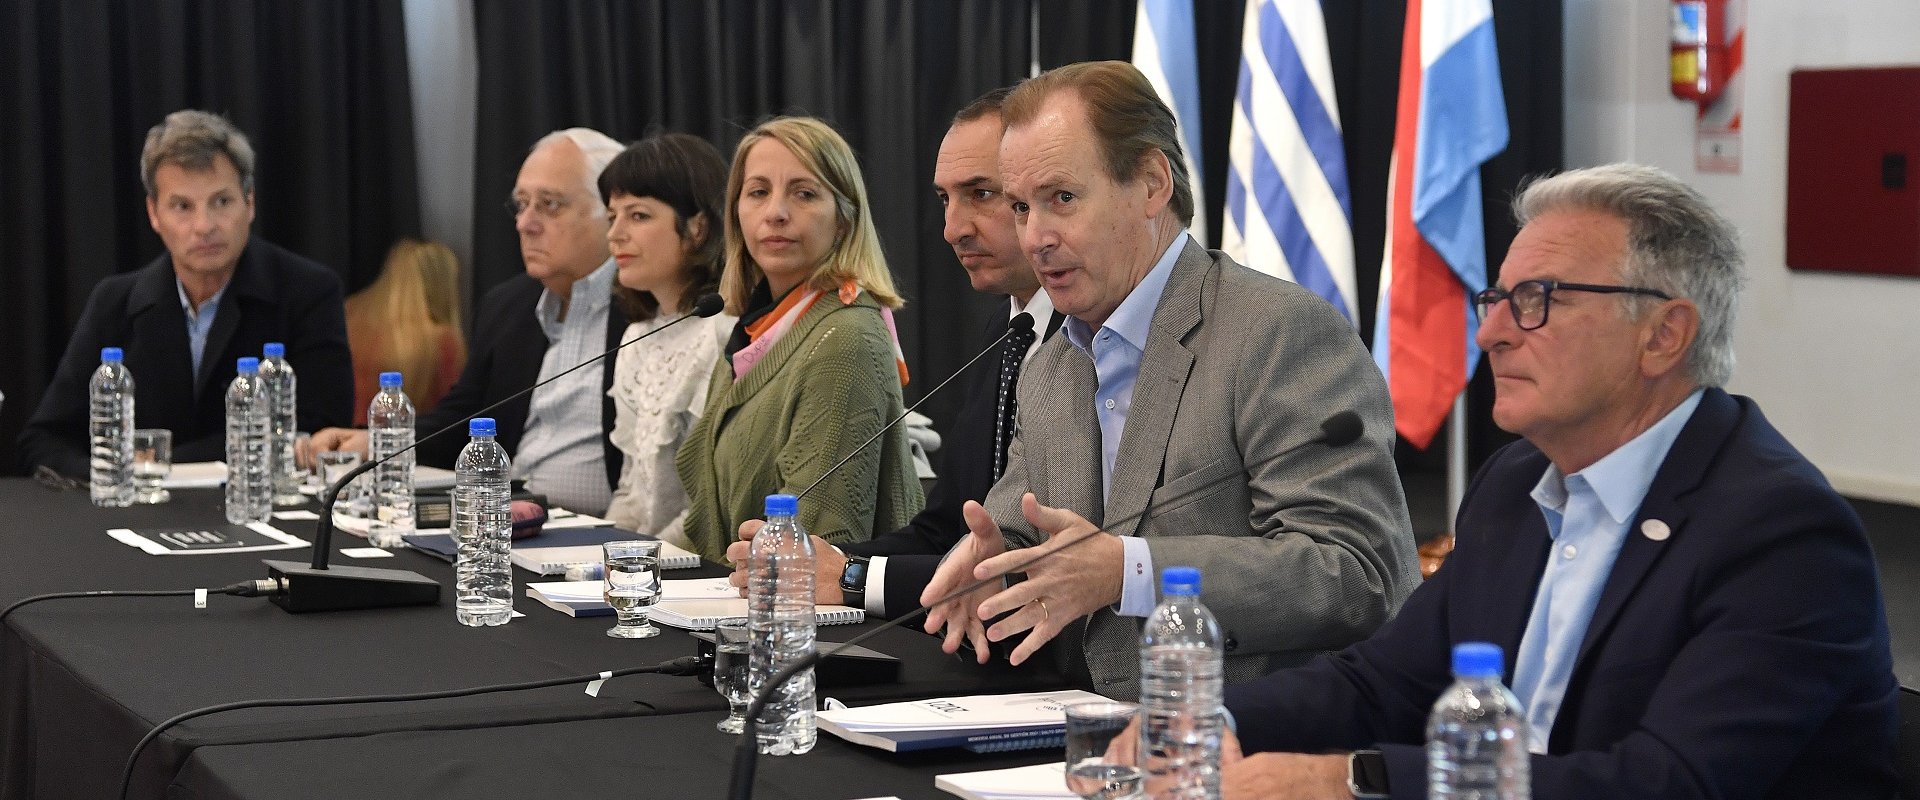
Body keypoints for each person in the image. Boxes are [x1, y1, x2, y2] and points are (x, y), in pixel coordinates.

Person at [1209, 164, 1898, 799]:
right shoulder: (1518, 481)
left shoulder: (1781, 532)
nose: (1491, 334)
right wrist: (1209, 718)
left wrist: (1355, 779)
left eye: (1536, 299)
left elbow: (1668, 783)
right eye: (1497, 299)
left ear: (1664, 335)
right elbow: (1385, 682)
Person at [919, 61, 1418, 699]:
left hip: (1251, 732)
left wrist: (1130, 572)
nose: (1036, 237)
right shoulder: (1050, 366)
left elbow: (1356, 573)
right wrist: (992, 563)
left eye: (1061, 198)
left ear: (1153, 183)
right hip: (1083, 730)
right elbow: (1020, 525)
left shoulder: (1275, 332)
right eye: (1020, 207)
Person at [722, 88, 1060, 617]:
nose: (952, 229)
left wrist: (851, 576)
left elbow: (1038, 560)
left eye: (981, 193)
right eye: (945, 200)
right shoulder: (1011, 326)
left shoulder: (1081, 335)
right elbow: (945, 530)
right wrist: (822, 562)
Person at [308, 128, 628, 516]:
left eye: (550, 205)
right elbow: (463, 422)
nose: (525, 223)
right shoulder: (507, 307)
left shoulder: (645, 310)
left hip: (606, 533)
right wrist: (374, 442)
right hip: (508, 522)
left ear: (611, 214)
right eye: (521, 204)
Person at [19, 110, 352, 476]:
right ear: (154, 214)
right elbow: (45, 440)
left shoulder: (309, 291)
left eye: (221, 202)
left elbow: (324, 432)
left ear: (250, 203)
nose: (204, 226)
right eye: (182, 206)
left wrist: (158, 465)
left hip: (260, 503)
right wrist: (112, 478)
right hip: (138, 506)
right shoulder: (114, 302)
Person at [674, 116, 925, 563]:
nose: (775, 212)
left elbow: (816, 544)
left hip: (804, 605)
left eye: (804, 193)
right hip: (736, 593)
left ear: (844, 219)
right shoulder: (753, 330)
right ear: (736, 213)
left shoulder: (845, 336)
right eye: (758, 192)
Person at [598, 133, 735, 548]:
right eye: (612, 217)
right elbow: (631, 493)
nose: (615, 234)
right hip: (644, 565)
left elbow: (710, 507)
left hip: (698, 567)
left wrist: (636, 564)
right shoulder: (636, 338)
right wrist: (598, 557)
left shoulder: (725, 332)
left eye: (638, 215)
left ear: (697, 227)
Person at [345, 239, 468, 424]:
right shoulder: (443, 341)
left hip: (342, 436)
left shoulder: (348, 316)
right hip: (408, 440)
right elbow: (452, 417)